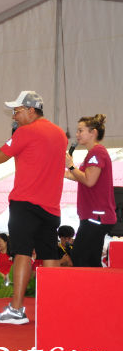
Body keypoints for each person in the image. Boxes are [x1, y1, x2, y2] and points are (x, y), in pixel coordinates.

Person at [0, 90, 66, 324]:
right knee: (49, 254)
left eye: (17, 111)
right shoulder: (59, 134)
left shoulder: (26, 132)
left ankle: (16, 310)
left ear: (31, 110)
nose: (14, 116)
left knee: (22, 253)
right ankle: (54, 309)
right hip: (52, 206)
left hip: (25, 203)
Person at [65, 114, 117, 267]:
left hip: (96, 216)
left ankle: (92, 282)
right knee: (90, 259)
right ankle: (97, 282)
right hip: (93, 215)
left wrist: (71, 165)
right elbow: (79, 176)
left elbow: (89, 180)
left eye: (81, 130)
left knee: (80, 256)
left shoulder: (97, 152)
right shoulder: (92, 153)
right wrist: (62, 171)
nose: (77, 134)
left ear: (93, 132)